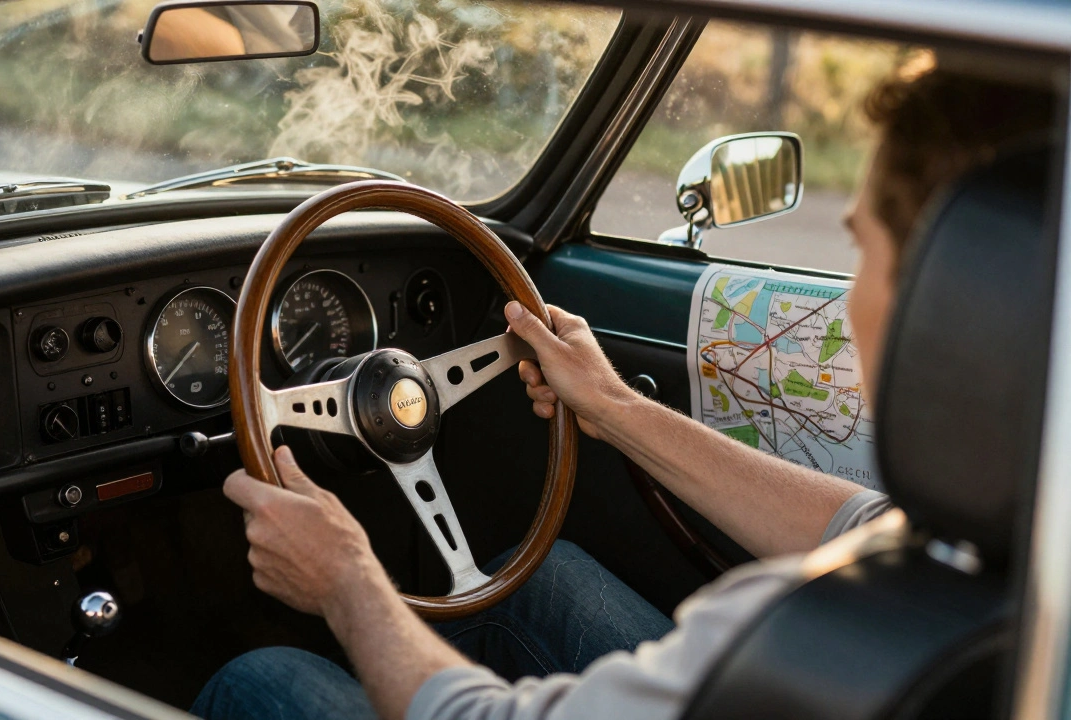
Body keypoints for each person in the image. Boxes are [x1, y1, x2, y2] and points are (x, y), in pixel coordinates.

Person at [193, 61, 1055, 720]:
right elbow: (859, 526)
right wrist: (615, 409)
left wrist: (346, 579)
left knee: (260, 680)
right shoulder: (1028, 540)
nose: (851, 288)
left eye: (862, 250)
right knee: (540, 576)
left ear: (952, 300)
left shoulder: (795, 635)